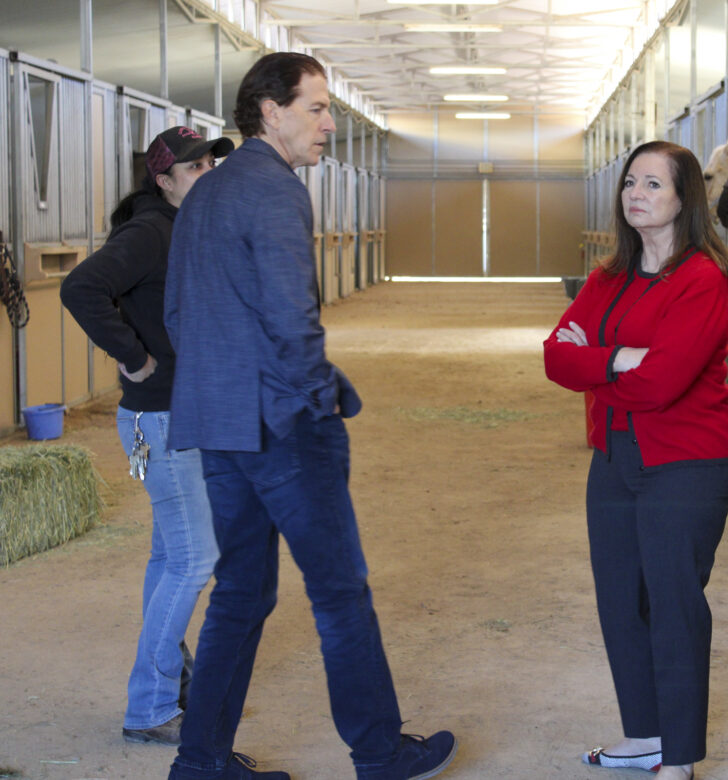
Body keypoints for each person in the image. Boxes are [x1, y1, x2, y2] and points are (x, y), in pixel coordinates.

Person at [162, 52, 457, 780]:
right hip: (284, 425)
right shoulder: (275, 190)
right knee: (338, 592)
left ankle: (199, 763)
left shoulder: (204, 193)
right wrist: (315, 398)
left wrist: (221, 387)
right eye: (317, 108)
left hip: (217, 422)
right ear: (271, 110)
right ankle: (380, 754)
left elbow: (177, 315)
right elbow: (293, 316)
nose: (328, 124)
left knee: (241, 590)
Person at [544, 140, 728, 780]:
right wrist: (621, 360)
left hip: (686, 463)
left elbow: (662, 384)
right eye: (631, 182)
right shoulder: (607, 278)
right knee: (621, 602)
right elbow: (554, 356)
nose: (636, 194)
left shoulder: (701, 280)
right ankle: (647, 734)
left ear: (685, 199)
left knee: (673, 604)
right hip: (614, 457)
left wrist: (597, 362)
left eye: (654, 185)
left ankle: (678, 758)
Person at [60, 126, 233, 746]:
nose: (208, 171)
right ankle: (153, 706)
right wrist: (133, 359)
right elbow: (81, 287)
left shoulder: (180, 226)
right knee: (195, 559)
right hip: (160, 417)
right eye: (194, 167)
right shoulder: (153, 231)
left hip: (166, 417)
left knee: (171, 557)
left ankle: (170, 682)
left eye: (211, 161)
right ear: (162, 180)